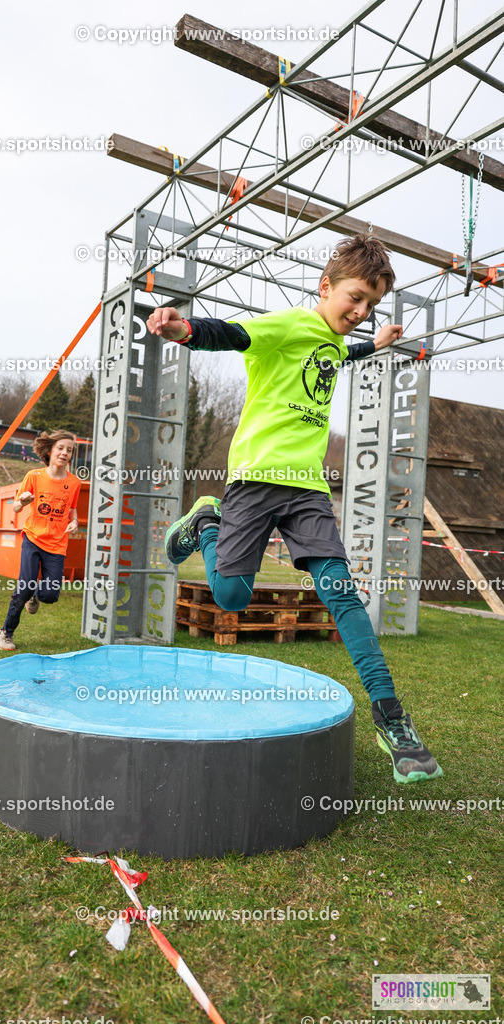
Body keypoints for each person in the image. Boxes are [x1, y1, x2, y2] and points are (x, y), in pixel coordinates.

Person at [147, 234, 442, 785]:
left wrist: (376, 344)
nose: (361, 311)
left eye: (372, 304)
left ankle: (391, 718)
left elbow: (342, 355)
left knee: (341, 594)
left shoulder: (334, 342)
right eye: (355, 298)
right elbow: (231, 333)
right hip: (255, 479)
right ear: (325, 287)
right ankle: (207, 523)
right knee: (231, 598)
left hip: (307, 488)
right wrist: (183, 330)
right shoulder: (287, 326)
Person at [0, 429, 80, 651]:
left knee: (50, 595)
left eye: (69, 450)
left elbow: (72, 509)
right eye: (60, 448)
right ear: (49, 451)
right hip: (33, 538)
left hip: (57, 544)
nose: (65, 453)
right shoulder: (34, 476)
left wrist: (75, 521)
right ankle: (5, 634)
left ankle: (36, 594)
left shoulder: (74, 482)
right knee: (24, 588)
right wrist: (22, 502)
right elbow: (15, 507)